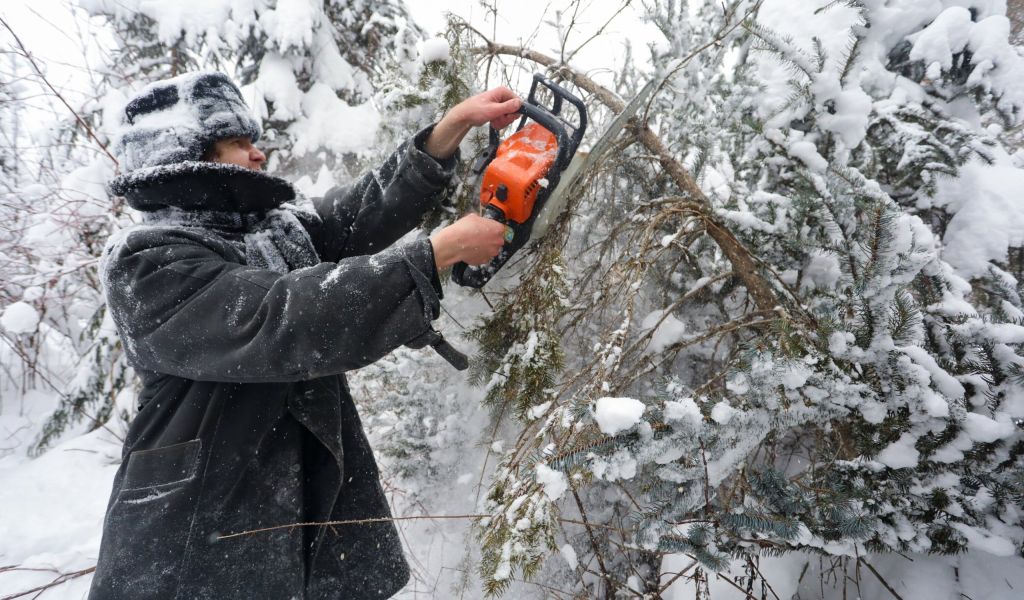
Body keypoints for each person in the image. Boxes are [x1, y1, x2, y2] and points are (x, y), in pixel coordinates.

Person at [88, 71, 519, 600]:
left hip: (302, 494)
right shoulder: (145, 258)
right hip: (199, 523)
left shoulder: (269, 229)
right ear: (188, 154)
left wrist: (445, 134)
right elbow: (281, 320)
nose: (258, 154)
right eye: (238, 143)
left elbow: (357, 214)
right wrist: (435, 253)